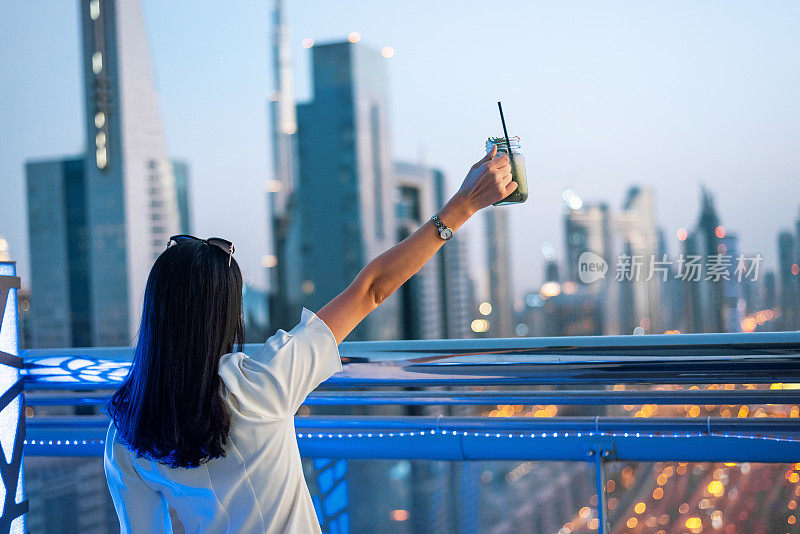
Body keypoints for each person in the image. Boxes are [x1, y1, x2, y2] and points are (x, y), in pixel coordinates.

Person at [104, 146, 515, 533]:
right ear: (227, 316)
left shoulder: (127, 429)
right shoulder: (261, 383)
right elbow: (370, 289)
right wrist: (465, 204)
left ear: (155, 312)